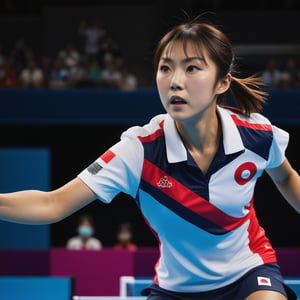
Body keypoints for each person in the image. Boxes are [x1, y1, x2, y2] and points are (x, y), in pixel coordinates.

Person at [0, 19, 299, 300]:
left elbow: (284, 176)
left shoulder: (256, 135)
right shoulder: (139, 151)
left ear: (222, 82)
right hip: (177, 289)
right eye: (165, 68)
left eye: (192, 68)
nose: (175, 82)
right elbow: (52, 204)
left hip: (249, 272)